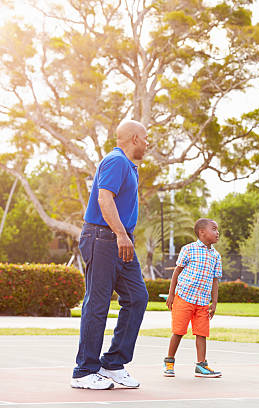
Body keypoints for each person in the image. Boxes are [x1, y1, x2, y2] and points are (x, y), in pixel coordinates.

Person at [71, 120, 150, 390]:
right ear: (135, 138)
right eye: (146, 138)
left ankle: (113, 363)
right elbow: (104, 199)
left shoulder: (129, 166)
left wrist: (123, 236)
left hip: (119, 239)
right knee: (98, 303)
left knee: (137, 297)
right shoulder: (115, 161)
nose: (148, 143)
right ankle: (84, 371)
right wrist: (120, 234)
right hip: (104, 238)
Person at [163, 218, 223, 378]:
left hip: (203, 302)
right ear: (202, 232)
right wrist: (171, 294)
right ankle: (169, 362)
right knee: (178, 331)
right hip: (183, 298)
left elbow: (215, 280)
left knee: (201, 333)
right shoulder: (189, 249)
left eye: (217, 230)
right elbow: (177, 271)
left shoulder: (216, 256)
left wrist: (214, 303)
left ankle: (201, 365)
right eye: (214, 229)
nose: (217, 233)